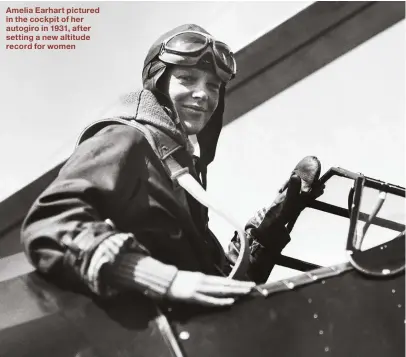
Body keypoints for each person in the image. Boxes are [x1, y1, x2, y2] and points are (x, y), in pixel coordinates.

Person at [21, 24, 323, 307]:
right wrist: (163, 279)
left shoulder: (178, 172)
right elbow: (50, 222)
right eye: (187, 79)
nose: (203, 94)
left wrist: (271, 226)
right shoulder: (127, 139)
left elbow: (219, 282)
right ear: (160, 83)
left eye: (214, 86)